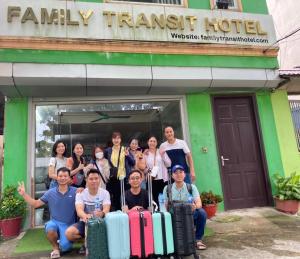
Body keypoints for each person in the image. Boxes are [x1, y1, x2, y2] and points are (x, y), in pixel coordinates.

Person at [18, 167, 77, 259]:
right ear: (56, 177)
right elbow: (36, 204)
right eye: (60, 176)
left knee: (65, 247)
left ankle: (62, 240)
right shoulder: (50, 193)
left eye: (65, 176)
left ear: (69, 178)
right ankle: (55, 248)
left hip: (69, 225)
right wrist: (24, 194)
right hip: (55, 222)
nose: (62, 178)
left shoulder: (75, 191)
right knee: (50, 227)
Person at [65, 169, 111, 255]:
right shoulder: (80, 193)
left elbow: (106, 209)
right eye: (91, 179)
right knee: (69, 233)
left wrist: (101, 213)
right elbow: (79, 210)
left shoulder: (105, 193)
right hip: (85, 222)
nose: (94, 181)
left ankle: (100, 244)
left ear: (100, 179)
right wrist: (86, 216)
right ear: (86, 180)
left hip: (101, 222)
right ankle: (85, 243)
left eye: (96, 178)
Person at [163, 165, 207, 250]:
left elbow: (199, 203)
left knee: (201, 213)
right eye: (176, 173)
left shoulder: (191, 187)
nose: (179, 175)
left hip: (189, 213)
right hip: (174, 215)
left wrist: (194, 206)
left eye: (181, 172)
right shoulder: (167, 188)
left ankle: (198, 240)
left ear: (184, 174)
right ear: (172, 176)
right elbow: (166, 206)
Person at [105, 131, 135, 210]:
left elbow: (133, 162)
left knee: (125, 197)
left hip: (125, 177)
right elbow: (102, 160)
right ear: (112, 140)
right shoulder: (108, 151)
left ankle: (127, 214)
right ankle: (118, 215)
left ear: (121, 140)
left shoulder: (124, 149)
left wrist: (128, 155)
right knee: (116, 198)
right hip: (114, 177)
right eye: (114, 138)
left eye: (118, 138)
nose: (116, 140)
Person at [144, 135, 171, 208]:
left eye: (154, 141)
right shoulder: (145, 154)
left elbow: (169, 164)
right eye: (150, 141)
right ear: (148, 142)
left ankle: (165, 215)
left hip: (162, 179)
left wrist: (163, 155)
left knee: (164, 199)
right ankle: (155, 216)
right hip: (151, 180)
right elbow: (143, 168)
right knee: (153, 200)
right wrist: (149, 170)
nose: (152, 143)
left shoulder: (161, 151)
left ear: (156, 143)